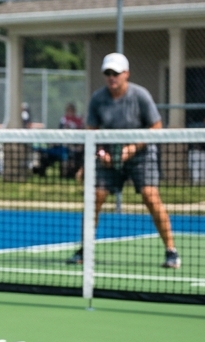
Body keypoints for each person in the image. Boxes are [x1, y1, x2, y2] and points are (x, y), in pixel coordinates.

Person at [68, 53, 179, 268]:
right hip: (109, 155)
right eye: (108, 73)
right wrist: (100, 155)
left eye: (116, 73)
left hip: (141, 153)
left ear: (126, 74)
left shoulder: (140, 96)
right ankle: (84, 249)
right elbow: (91, 133)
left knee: (150, 196)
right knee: (95, 197)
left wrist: (131, 149)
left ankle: (171, 251)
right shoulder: (98, 99)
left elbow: (156, 127)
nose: (112, 77)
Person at [187, 111, 205, 185]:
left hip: (203, 155)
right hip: (194, 154)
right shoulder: (197, 128)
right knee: (195, 178)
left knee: (200, 180)